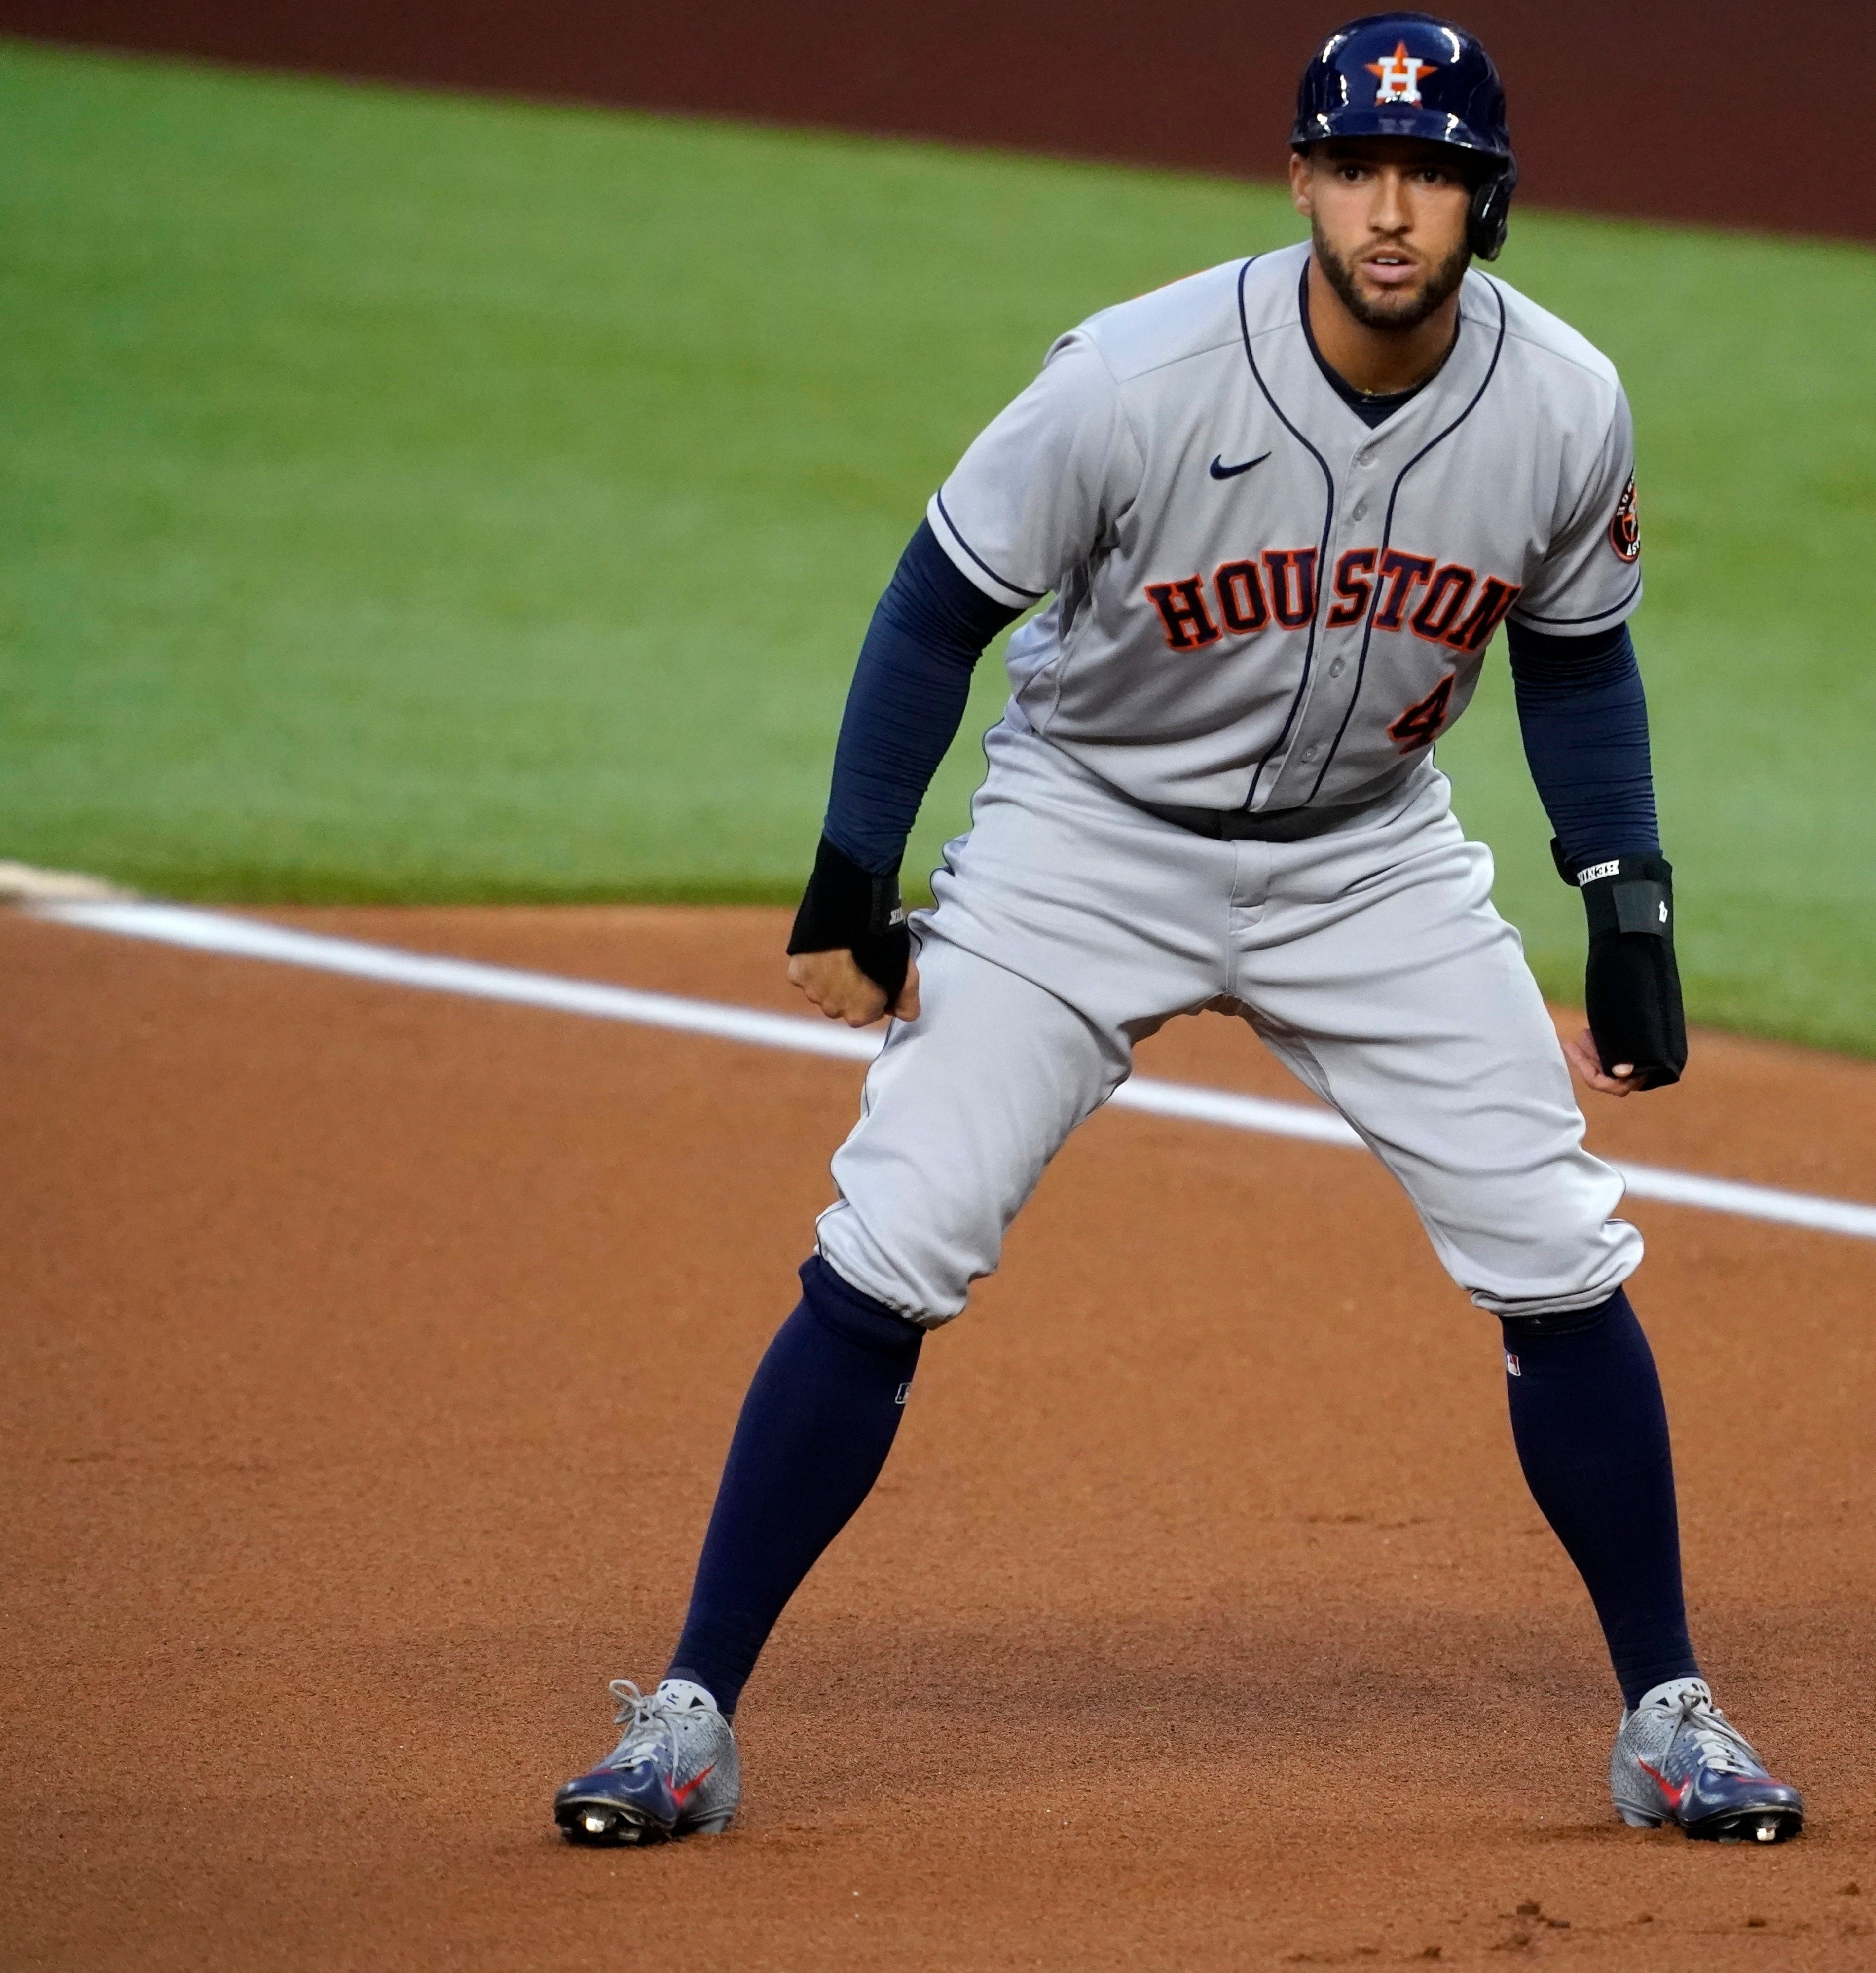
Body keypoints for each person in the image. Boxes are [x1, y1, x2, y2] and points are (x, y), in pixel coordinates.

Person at [552, 11, 1804, 1848]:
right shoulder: (1132, 381)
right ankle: (688, 1715)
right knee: (896, 1240)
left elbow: (1579, 648)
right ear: (1301, 180)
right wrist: (849, 880)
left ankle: (1670, 1713)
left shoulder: (1562, 402)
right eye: (1361, 170)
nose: (1394, 210)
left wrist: (1626, 897)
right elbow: (934, 611)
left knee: (1555, 1247)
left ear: (1489, 204)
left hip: (1371, 857)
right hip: (1088, 839)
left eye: (1435, 177)